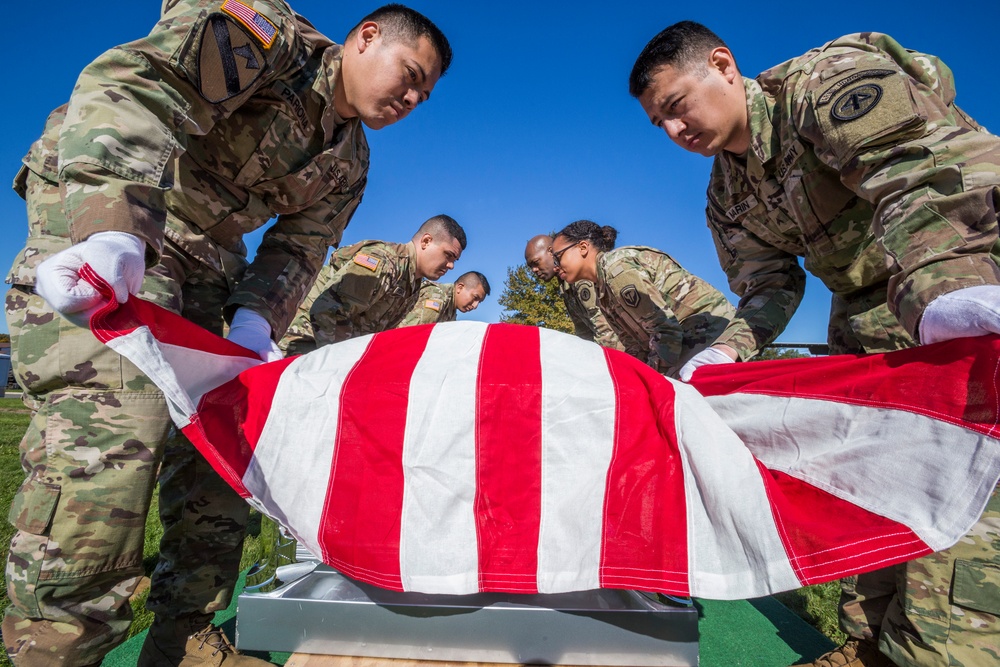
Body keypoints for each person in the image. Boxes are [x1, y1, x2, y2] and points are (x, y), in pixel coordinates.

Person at [3, 2, 452, 665]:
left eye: (425, 95)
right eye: (410, 75)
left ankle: (184, 634)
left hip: (210, 262)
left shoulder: (350, 162)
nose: (412, 99)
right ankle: (57, 647)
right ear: (365, 38)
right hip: (119, 220)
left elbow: (300, 247)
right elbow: (139, 85)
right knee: (117, 430)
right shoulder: (271, 40)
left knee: (231, 443)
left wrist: (254, 322)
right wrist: (113, 226)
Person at [630, 21, 1000, 667]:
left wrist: (949, 292)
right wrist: (727, 350)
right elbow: (768, 285)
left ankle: (941, 654)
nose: (673, 130)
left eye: (677, 106)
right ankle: (868, 641)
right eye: (659, 122)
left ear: (723, 65)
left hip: (960, 287)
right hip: (862, 319)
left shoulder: (821, 85)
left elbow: (923, 172)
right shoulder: (726, 194)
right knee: (868, 483)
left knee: (956, 491)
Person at [550, 220, 747, 377]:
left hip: (709, 333)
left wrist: (648, 378)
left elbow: (666, 332)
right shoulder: (602, 289)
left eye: (558, 257)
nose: (556, 266)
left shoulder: (616, 269)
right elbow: (635, 346)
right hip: (685, 339)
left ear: (583, 247)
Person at [280, 215, 466, 354]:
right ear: (426, 241)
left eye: (454, 260)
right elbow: (328, 312)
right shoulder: (384, 262)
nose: (451, 266)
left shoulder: (413, 284)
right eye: (448, 255)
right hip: (304, 348)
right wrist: (352, 365)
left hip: (332, 356)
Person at [524, 234, 623, 350]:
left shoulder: (578, 276)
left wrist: (606, 359)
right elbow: (583, 331)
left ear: (551, 252)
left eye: (536, 262)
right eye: (530, 266)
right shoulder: (565, 284)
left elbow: (604, 326)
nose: (534, 270)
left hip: (622, 350)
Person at [397, 271, 492, 326]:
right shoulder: (437, 296)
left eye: (479, 302)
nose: (475, 306)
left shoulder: (451, 309)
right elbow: (414, 333)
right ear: (460, 288)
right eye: (475, 298)